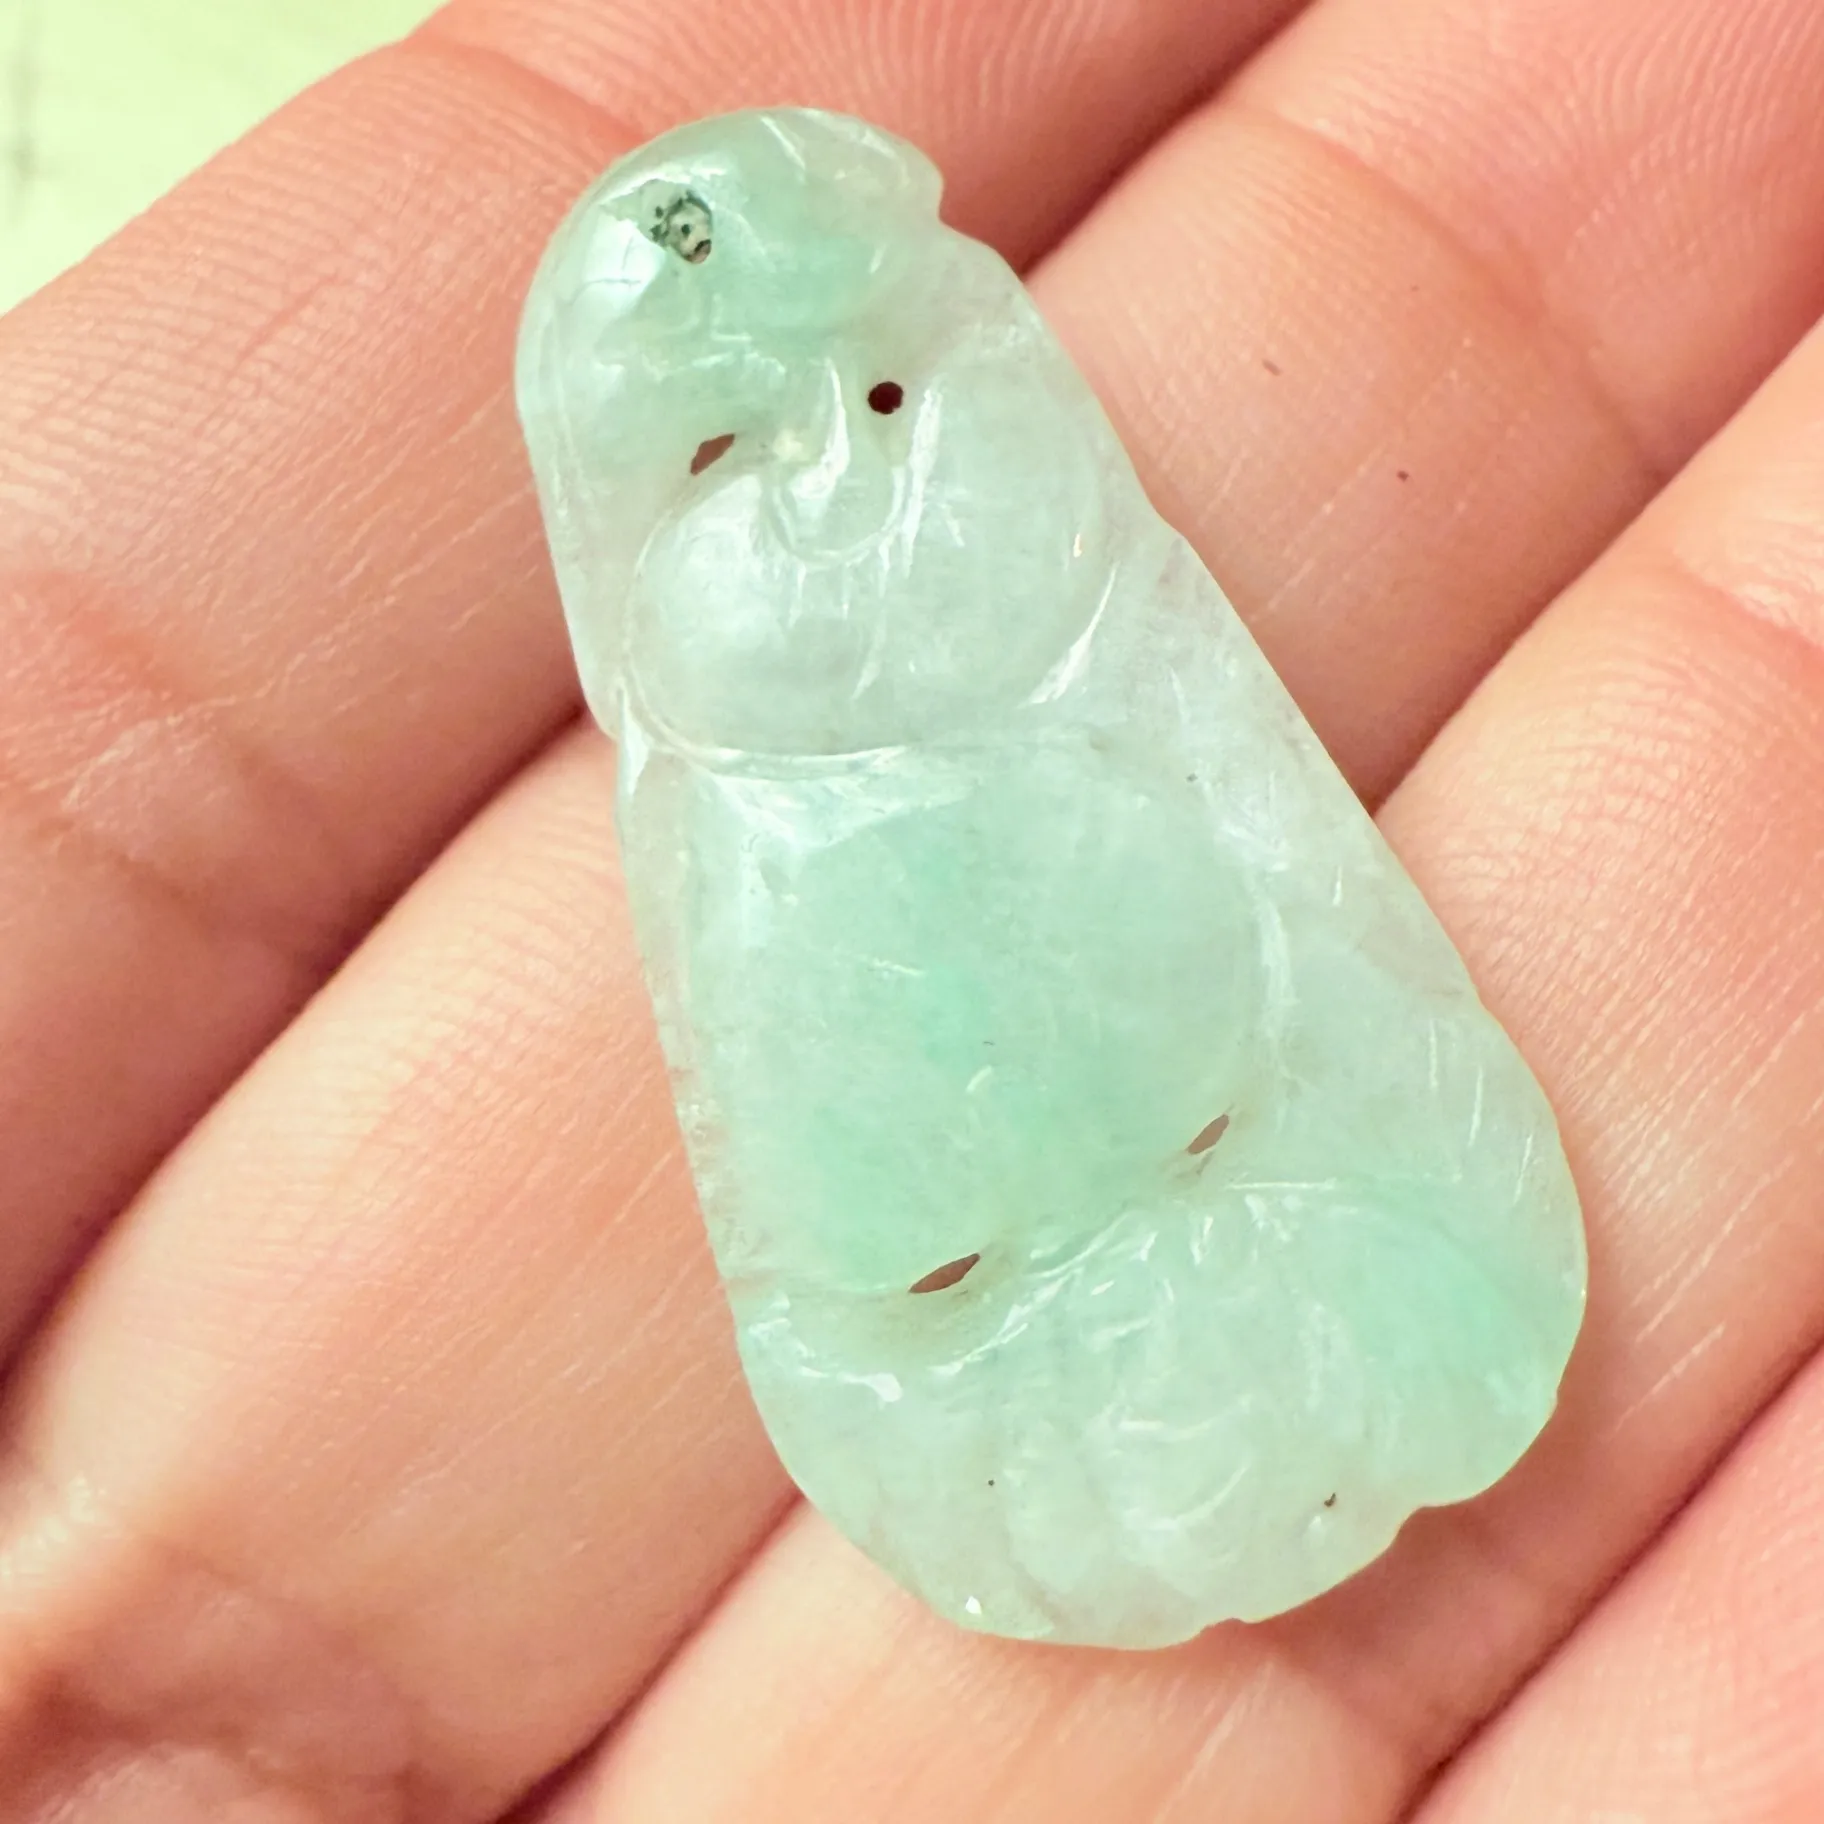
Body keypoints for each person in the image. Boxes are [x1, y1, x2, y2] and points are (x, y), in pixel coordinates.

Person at [3, 0, 1823, 1817]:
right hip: (1026, 1387)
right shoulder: (740, 853)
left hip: (1334, 1254)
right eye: (723, 451)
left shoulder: (1128, 678)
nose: (839, 474)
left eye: (886, 392)